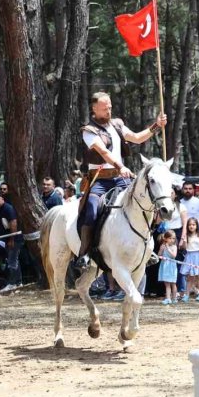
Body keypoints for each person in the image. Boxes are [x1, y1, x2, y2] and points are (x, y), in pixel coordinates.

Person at [75, 91, 167, 269]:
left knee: (145, 202)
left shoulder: (116, 125)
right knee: (92, 210)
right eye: (104, 108)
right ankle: (85, 253)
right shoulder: (89, 131)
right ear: (94, 108)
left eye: (109, 106)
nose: (108, 110)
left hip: (120, 178)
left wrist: (156, 125)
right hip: (99, 181)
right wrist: (120, 167)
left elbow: (137, 138)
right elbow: (104, 153)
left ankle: (148, 248)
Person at [0, 193, 21, 292]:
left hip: (14, 238)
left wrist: (12, 239)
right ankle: (18, 282)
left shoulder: (8, 208)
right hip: (6, 238)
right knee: (14, 260)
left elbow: (13, 223)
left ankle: (12, 283)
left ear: (2, 199)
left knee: (12, 262)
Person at [179, 218, 199, 303]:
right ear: (187, 226)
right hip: (189, 256)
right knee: (189, 277)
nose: (191, 226)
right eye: (190, 225)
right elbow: (185, 247)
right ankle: (186, 295)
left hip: (198, 256)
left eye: (193, 224)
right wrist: (184, 241)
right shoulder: (187, 236)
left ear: (197, 226)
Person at [157, 231, 179, 305]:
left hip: (171, 266)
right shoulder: (163, 246)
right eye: (170, 238)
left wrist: (168, 249)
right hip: (165, 265)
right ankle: (168, 298)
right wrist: (161, 249)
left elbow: (174, 256)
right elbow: (159, 255)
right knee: (167, 284)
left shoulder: (174, 246)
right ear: (166, 239)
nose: (172, 240)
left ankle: (174, 298)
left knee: (173, 283)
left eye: (173, 238)